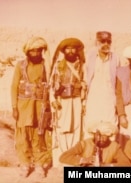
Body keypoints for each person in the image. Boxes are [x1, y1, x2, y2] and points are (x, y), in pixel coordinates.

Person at [11, 36, 52, 178]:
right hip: (23, 107)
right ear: (27, 52)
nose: (35, 54)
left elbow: (50, 85)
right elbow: (14, 86)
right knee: (23, 137)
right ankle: (25, 164)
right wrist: (14, 107)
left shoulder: (46, 66)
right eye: (32, 51)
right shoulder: (20, 65)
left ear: (42, 51)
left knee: (39, 136)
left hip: (40, 107)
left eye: (38, 51)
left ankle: (40, 165)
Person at [49, 38, 86, 168]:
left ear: (76, 50)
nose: (70, 51)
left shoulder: (82, 66)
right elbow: (51, 85)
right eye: (68, 49)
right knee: (61, 129)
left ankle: (72, 159)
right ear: (64, 51)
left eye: (73, 48)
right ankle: (60, 161)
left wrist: (84, 102)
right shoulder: (58, 65)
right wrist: (53, 100)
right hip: (61, 102)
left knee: (76, 129)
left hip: (76, 101)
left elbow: (86, 83)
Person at [83, 31, 127, 137]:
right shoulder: (89, 57)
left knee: (110, 130)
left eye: (108, 42)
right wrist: (84, 101)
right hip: (93, 100)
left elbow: (118, 82)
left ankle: (108, 153)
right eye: (102, 41)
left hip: (109, 100)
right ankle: (91, 153)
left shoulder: (115, 58)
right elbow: (84, 80)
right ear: (96, 42)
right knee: (91, 129)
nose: (106, 44)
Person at [59, 121, 131, 166]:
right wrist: (83, 160)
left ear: (109, 136)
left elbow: (126, 164)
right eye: (98, 135)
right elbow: (63, 157)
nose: (101, 139)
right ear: (93, 134)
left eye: (104, 135)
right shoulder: (84, 144)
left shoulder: (114, 147)